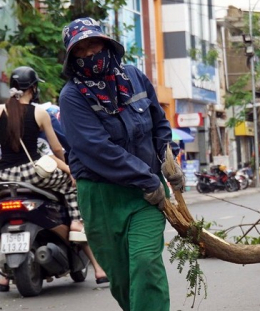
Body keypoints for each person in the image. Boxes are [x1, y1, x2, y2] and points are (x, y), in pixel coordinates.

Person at [58, 17, 184, 311]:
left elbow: (159, 124)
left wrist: (168, 161)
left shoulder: (135, 77)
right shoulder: (72, 97)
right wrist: (147, 178)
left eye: (94, 45)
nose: (90, 55)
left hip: (145, 196)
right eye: (81, 50)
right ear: (72, 58)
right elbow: (96, 149)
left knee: (145, 263)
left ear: (107, 44)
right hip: (101, 197)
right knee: (121, 280)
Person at [0, 66, 107, 290]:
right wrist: (67, 167)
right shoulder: (39, 113)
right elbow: (57, 149)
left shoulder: (0, 110)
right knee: (70, 186)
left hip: (4, 176)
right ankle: (77, 223)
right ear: (33, 88)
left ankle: (3, 277)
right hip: (32, 173)